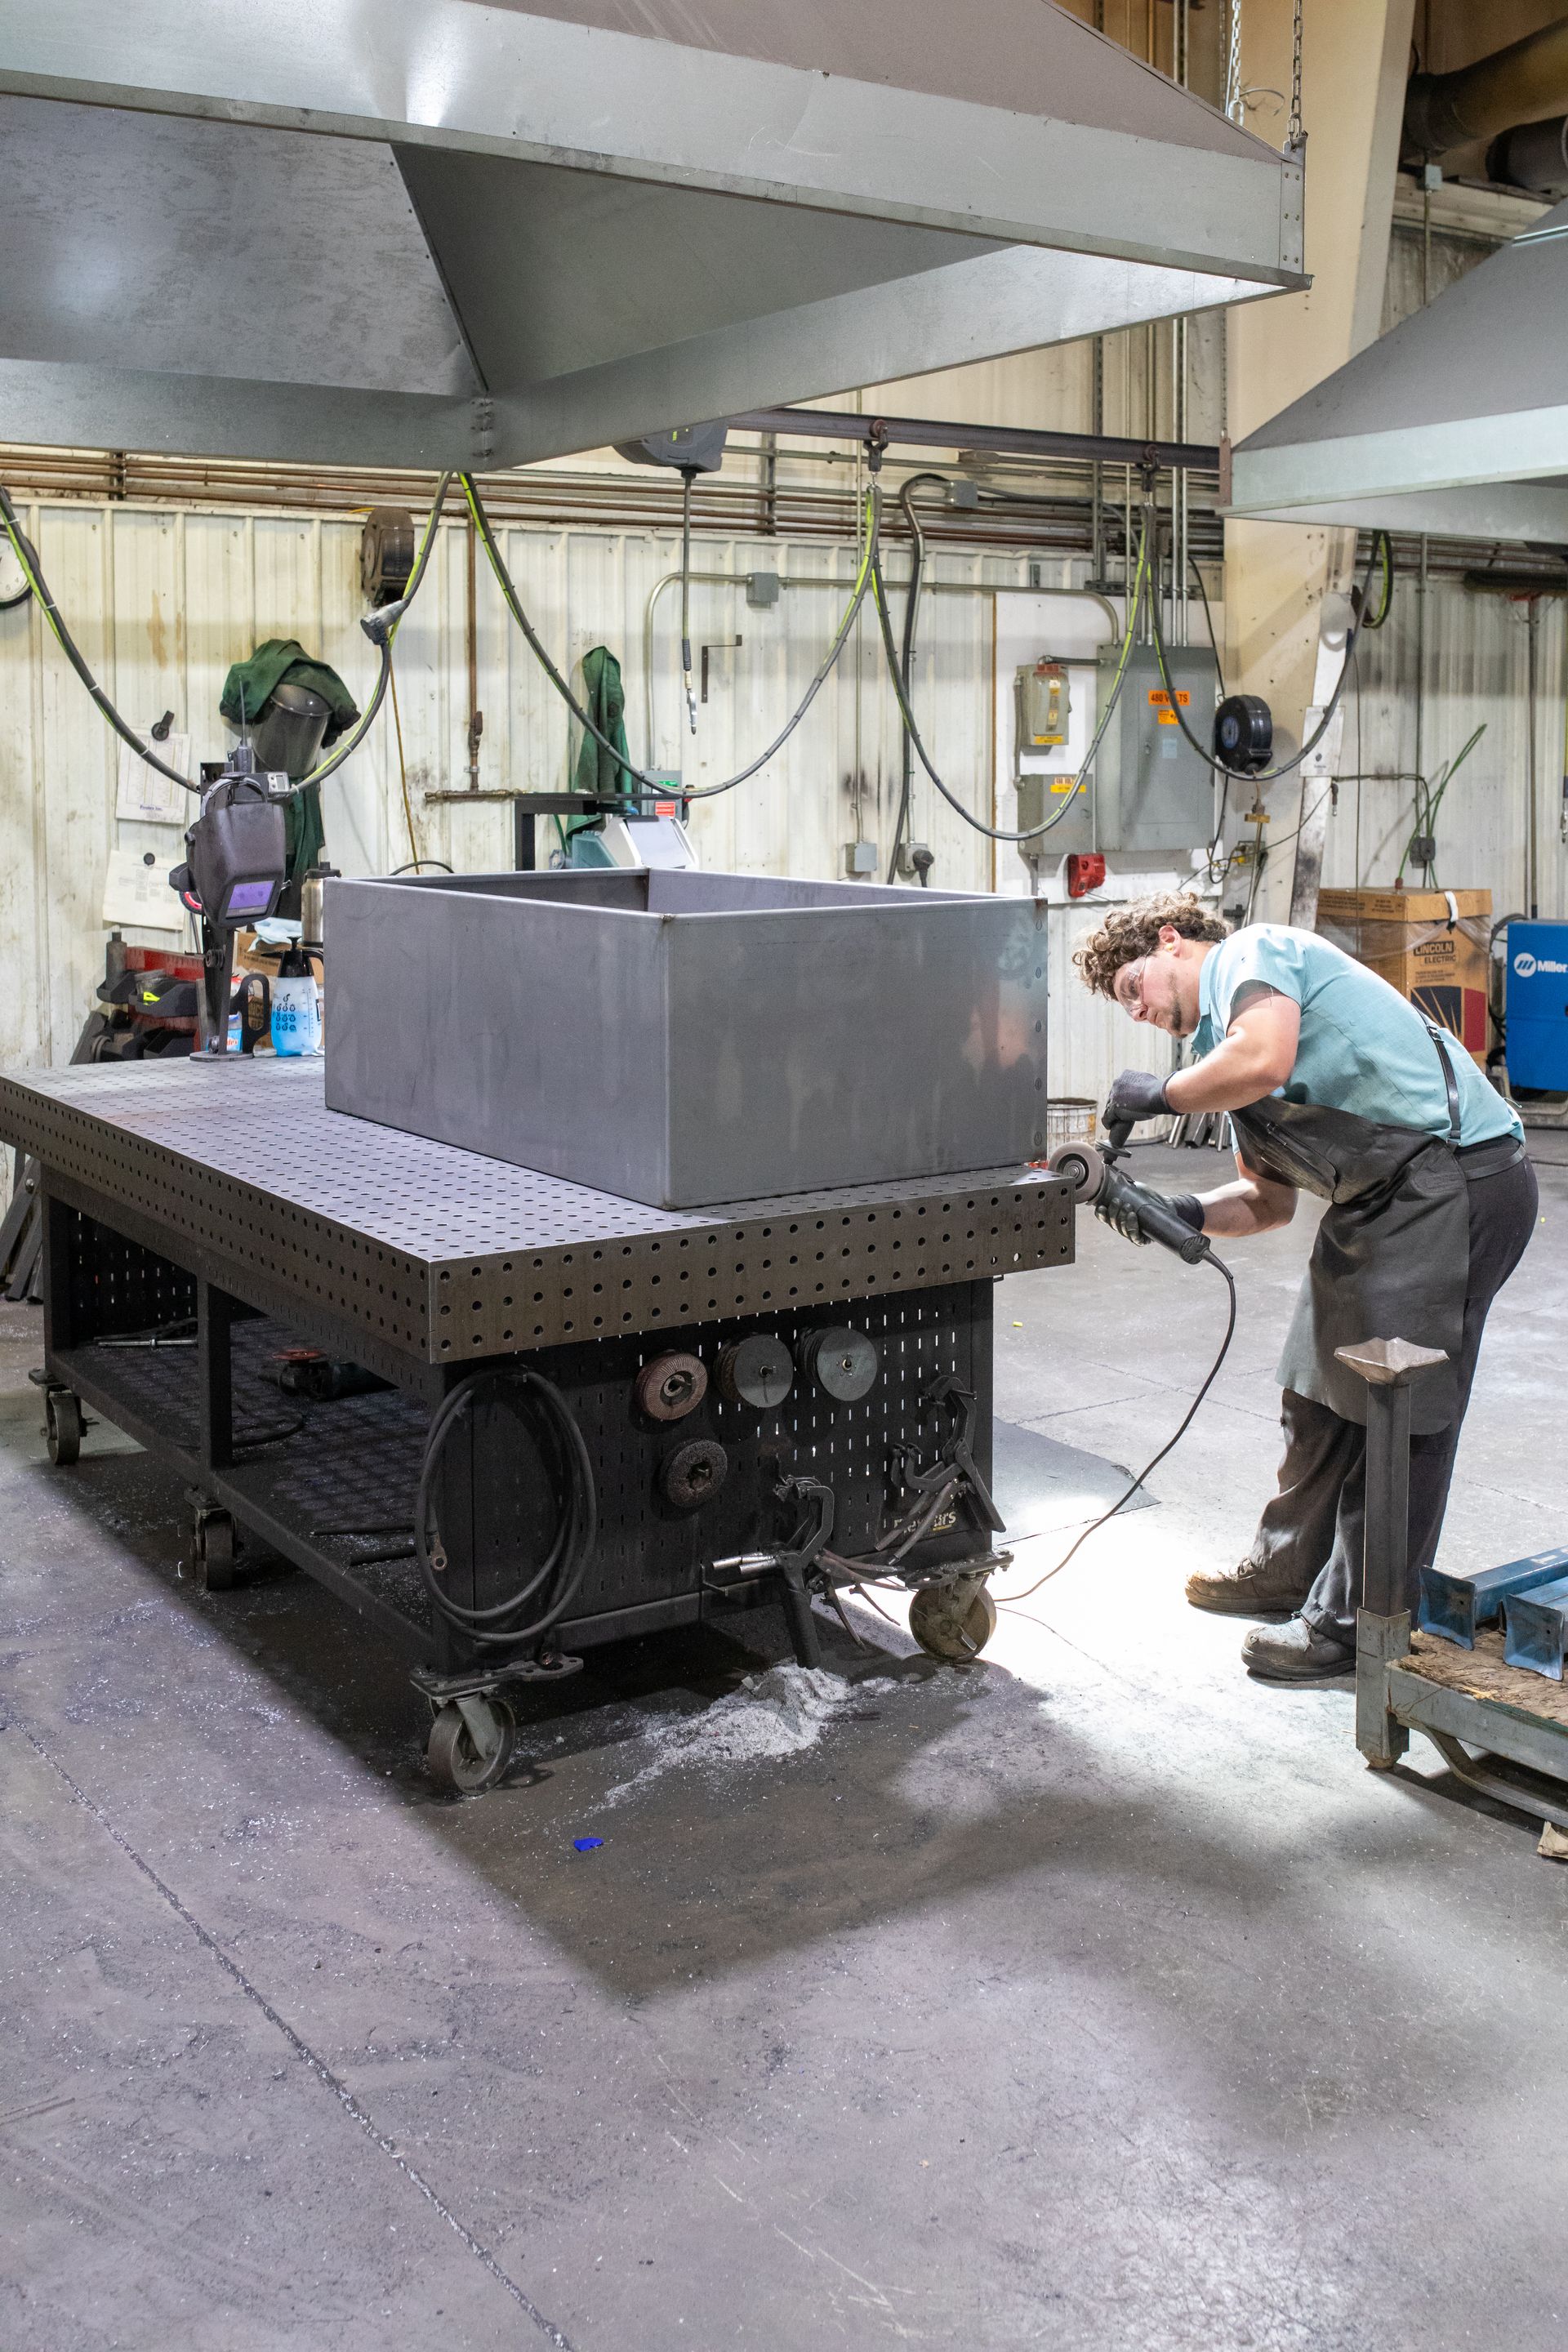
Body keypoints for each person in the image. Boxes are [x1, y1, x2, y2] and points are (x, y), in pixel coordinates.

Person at [1074, 893, 1536, 1682]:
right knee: (1316, 1391)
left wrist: (1160, 1097)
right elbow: (1266, 1201)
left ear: (1170, 941)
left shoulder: (1253, 958)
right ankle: (1284, 1572)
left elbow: (1266, 1060)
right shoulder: (1220, 1052)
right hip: (1380, 1205)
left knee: (1399, 1416)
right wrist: (1178, 1209)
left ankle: (1356, 1628)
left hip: (1455, 1184)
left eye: (1133, 990)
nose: (1140, 1013)